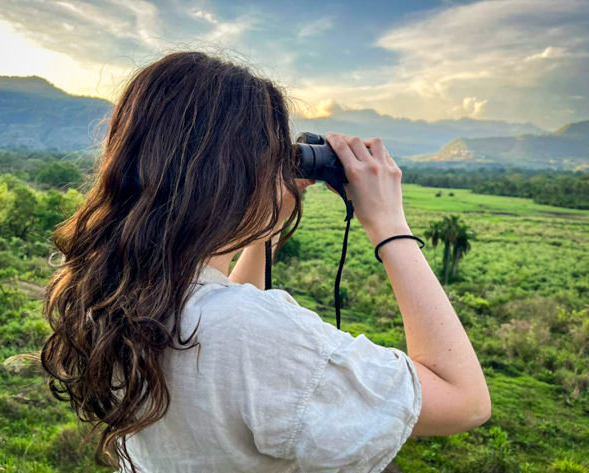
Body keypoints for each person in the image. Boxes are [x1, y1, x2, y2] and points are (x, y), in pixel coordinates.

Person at [40, 50, 491, 473]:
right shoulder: (247, 333)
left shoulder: (114, 290)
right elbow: (464, 399)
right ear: (237, 175)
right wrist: (390, 225)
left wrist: (265, 229)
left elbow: (225, 319)